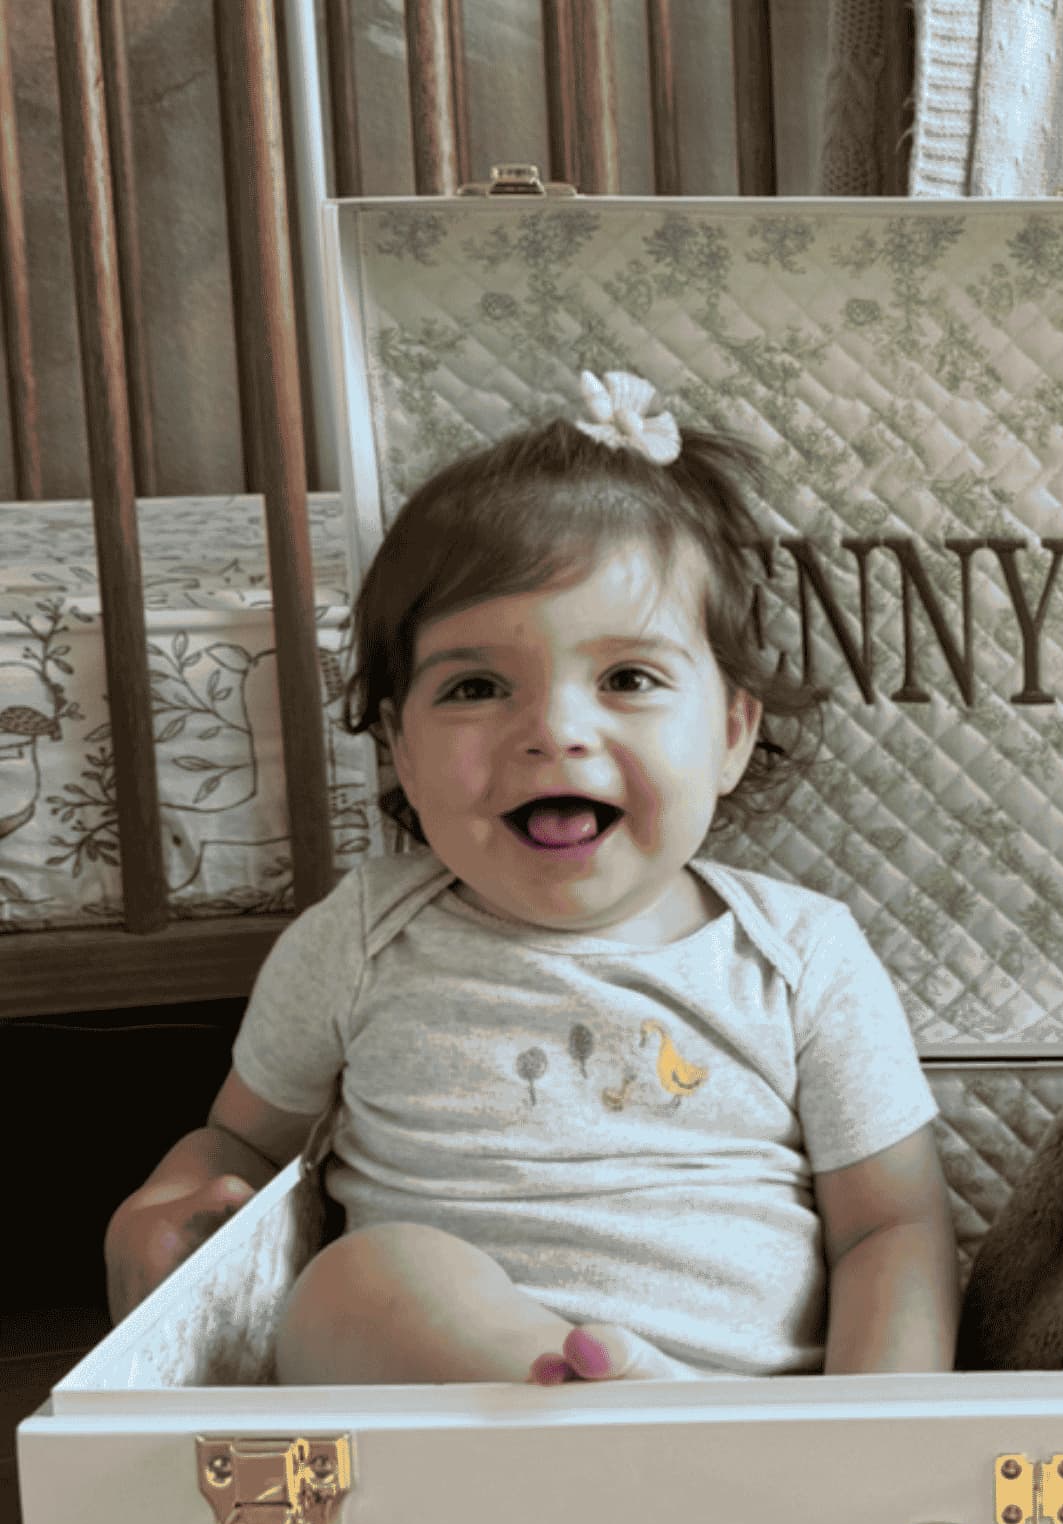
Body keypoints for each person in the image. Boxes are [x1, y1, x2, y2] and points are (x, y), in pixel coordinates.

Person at [104, 371, 958, 1384]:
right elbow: (242, 1143)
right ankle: (580, 1400)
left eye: (627, 679)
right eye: (476, 686)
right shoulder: (363, 937)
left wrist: (868, 1434)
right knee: (358, 1283)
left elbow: (893, 1227)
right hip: (462, 1446)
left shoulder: (796, 952)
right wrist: (171, 1198)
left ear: (730, 733)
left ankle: (648, 1425)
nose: (553, 729)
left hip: (741, 1431)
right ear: (401, 750)